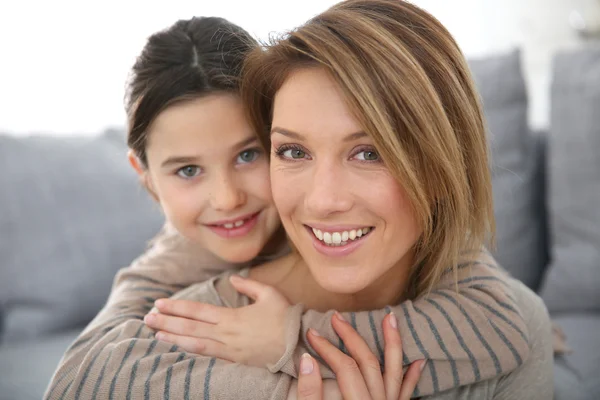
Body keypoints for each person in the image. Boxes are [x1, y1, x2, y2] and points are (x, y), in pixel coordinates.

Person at [44, 4, 545, 399]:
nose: (227, 198)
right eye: (295, 151)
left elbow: (504, 324)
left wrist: (293, 339)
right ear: (147, 180)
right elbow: (80, 376)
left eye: (248, 155)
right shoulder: (186, 272)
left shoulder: (473, 279)